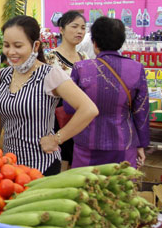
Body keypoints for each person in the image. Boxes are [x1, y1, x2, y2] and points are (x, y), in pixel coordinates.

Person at [0, 15, 98, 175]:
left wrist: (57, 139)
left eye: (18, 46)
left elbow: (88, 109)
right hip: (9, 168)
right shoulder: (2, 76)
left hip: (42, 166)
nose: (11, 52)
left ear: (35, 45)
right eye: (6, 45)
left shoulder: (50, 74)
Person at [64, 17, 150, 168]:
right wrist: (141, 145)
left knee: (86, 189)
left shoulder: (81, 68)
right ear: (121, 42)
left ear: (94, 42)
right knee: (121, 188)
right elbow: (141, 112)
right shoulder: (136, 68)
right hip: (124, 144)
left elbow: (69, 108)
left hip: (86, 143)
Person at [45, 10, 88, 168]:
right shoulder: (51, 57)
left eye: (83, 28)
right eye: (74, 26)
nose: (79, 31)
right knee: (63, 156)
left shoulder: (84, 57)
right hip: (59, 115)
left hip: (81, 115)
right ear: (61, 29)